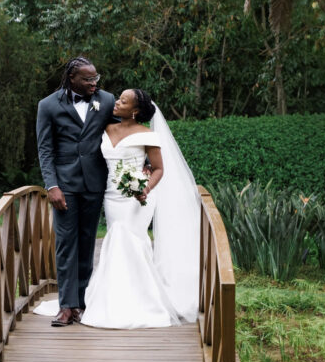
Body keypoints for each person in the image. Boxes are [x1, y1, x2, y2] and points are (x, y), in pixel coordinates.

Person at [35, 87, 201, 328]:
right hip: (111, 195)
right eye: (119, 99)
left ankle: (142, 301)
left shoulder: (148, 135)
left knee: (131, 241)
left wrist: (145, 187)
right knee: (115, 240)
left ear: (134, 111)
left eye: (123, 101)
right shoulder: (106, 126)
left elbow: (158, 169)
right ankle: (109, 297)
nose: (116, 102)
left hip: (137, 197)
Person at [35, 57, 116, 327]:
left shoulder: (106, 100)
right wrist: (52, 185)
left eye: (96, 78)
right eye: (87, 79)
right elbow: (45, 150)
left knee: (86, 243)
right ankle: (66, 306)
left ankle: (81, 303)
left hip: (95, 183)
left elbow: (122, 131)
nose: (94, 83)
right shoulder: (47, 105)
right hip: (65, 186)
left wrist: (146, 157)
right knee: (66, 244)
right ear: (72, 78)